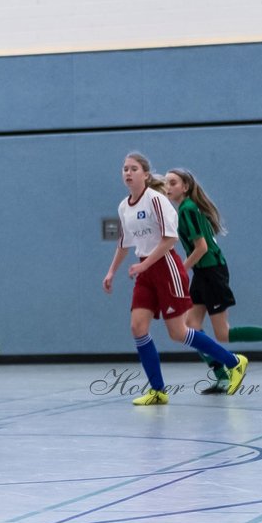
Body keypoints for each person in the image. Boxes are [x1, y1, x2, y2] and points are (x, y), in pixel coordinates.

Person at [102, 152, 248, 404]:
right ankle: (158, 390)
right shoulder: (124, 206)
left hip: (166, 267)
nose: (127, 172)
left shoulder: (157, 200)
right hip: (144, 271)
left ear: (145, 175)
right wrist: (112, 271)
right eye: (124, 168)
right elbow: (124, 242)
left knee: (179, 332)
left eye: (133, 168)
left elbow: (170, 239)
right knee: (138, 327)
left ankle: (234, 361)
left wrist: (145, 264)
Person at [163, 167, 262, 393]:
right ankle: (222, 375)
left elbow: (201, 248)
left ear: (185, 187)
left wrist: (181, 270)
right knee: (191, 327)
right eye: (166, 183)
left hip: (212, 271)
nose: (168, 187)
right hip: (203, 272)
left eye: (173, 183)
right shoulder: (186, 209)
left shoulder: (187, 209)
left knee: (222, 334)